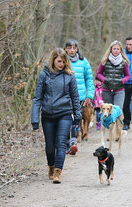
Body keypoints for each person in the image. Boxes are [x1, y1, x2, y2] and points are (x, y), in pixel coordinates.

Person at [31, 48, 81, 184]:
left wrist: (77, 116)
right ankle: (51, 167)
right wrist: (34, 119)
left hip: (64, 114)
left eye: (64, 61)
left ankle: (58, 171)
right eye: (59, 61)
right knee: (49, 146)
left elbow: (75, 98)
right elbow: (37, 98)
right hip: (47, 115)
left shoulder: (70, 76)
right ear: (53, 60)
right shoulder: (44, 75)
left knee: (60, 144)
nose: (62, 64)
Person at [64, 39, 94, 154]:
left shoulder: (83, 61)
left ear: (77, 49)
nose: (72, 50)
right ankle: (67, 142)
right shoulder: (63, 60)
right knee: (67, 119)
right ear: (65, 49)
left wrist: (89, 95)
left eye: (74, 48)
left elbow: (89, 79)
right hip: (66, 96)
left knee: (77, 119)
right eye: (69, 48)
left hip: (80, 97)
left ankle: (73, 143)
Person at [96, 40, 131, 110]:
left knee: (117, 110)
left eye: (118, 49)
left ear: (121, 50)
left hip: (119, 90)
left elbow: (128, 76)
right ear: (111, 49)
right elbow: (98, 73)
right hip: (106, 90)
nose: (116, 50)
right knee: (107, 113)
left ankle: (118, 121)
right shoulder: (104, 60)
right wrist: (104, 79)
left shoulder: (124, 62)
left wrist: (122, 80)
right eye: (114, 49)